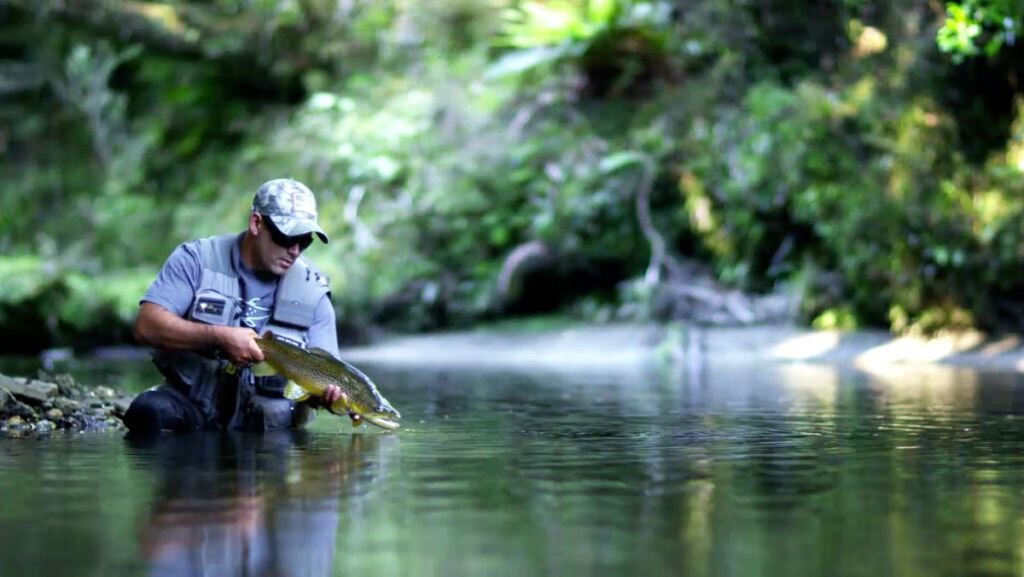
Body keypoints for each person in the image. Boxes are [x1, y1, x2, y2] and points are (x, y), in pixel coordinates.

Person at [123, 178, 349, 435]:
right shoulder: (196, 259)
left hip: (272, 432)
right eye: (286, 238)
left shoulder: (314, 292)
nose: (295, 251)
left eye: (304, 241)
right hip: (194, 408)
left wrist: (328, 399)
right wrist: (218, 337)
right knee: (147, 411)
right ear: (256, 223)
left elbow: (329, 373)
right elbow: (146, 326)